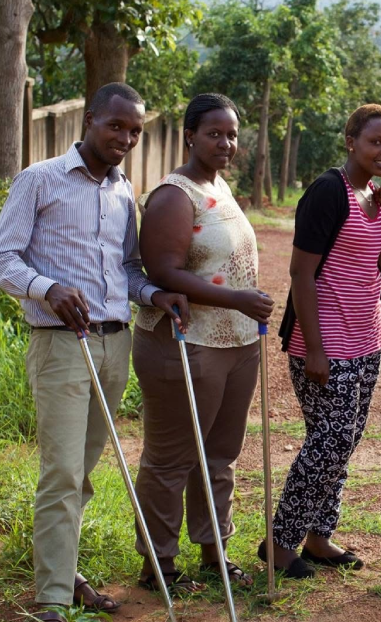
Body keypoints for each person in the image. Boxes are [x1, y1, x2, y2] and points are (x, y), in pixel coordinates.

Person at [0, 82, 188, 622]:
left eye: (135, 132)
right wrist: (48, 288)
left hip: (114, 343)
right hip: (61, 344)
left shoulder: (125, 192)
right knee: (62, 473)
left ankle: (65, 573)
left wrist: (155, 296)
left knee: (85, 470)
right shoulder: (40, 179)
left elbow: (126, 269)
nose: (124, 139)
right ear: (90, 120)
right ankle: (50, 602)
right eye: (115, 126)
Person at [130, 93, 272, 595]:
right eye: (215, 133)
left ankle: (215, 551)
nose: (226, 143)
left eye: (232, 134)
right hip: (185, 341)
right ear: (190, 135)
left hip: (235, 344)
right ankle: (159, 564)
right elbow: (162, 270)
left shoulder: (221, 186)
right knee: (173, 457)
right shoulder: (174, 195)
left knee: (220, 454)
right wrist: (236, 297)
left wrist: (240, 307)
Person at [263, 104, 381, 579]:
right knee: (328, 441)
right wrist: (316, 350)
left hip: (368, 338)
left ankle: (319, 537)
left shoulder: (375, 196)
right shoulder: (329, 191)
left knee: (342, 442)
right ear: (351, 142)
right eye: (375, 141)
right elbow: (301, 272)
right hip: (324, 342)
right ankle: (281, 543)